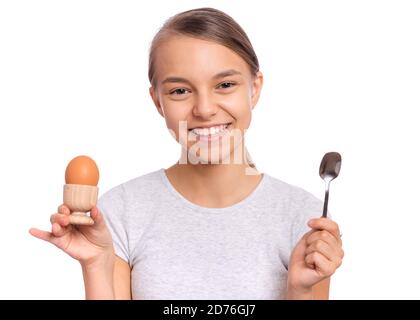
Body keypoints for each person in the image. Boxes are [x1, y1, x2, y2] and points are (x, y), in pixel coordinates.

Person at [29, 7, 344, 300]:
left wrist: (301, 291)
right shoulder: (122, 212)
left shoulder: (304, 218)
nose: (205, 110)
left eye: (225, 85)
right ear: (158, 102)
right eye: (180, 91)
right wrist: (96, 264)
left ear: (254, 88)